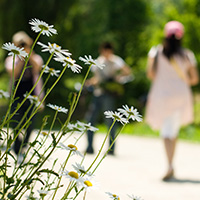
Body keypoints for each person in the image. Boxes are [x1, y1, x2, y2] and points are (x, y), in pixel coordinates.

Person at [145, 21, 199, 180]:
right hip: (181, 95)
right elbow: (194, 79)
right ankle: (171, 164)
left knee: (166, 132)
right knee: (172, 131)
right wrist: (181, 82)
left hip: (162, 95)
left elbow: (151, 75)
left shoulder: (155, 52)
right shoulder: (187, 55)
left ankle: (169, 165)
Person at [85, 42, 132, 155]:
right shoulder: (98, 61)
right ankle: (90, 147)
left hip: (109, 94)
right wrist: (89, 83)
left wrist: (118, 77)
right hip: (98, 92)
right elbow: (96, 78)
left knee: (110, 121)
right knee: (90, 119)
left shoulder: (116, 60)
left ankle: (111, 148)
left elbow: (128, 71)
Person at [5, 31, 44, 155]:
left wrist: (29, 55)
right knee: (16, 121)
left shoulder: (35, 57)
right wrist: (21, 58)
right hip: (16, 95)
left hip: (32, 95)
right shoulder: (11, 59)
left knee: (31, 122)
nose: (22, 47)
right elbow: (13, 73)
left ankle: (25, 143)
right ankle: (17, 144)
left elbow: (38, 68)